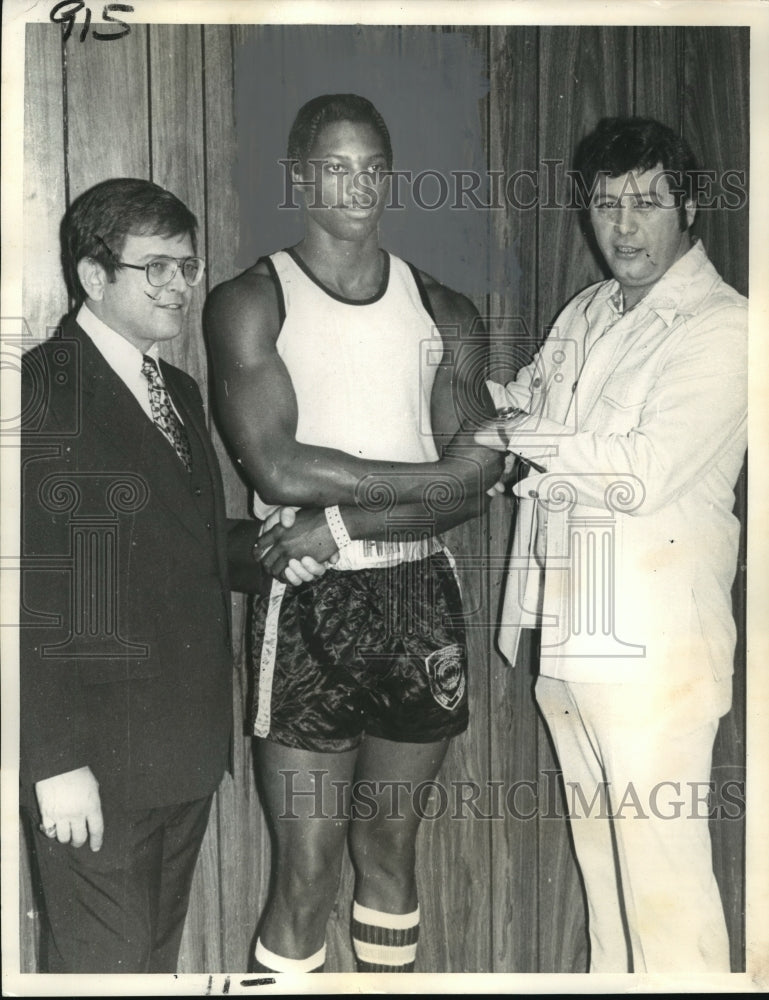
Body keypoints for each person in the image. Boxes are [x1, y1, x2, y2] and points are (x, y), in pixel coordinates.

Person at [204, 93, 503, 974]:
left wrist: (340, 521)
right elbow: (277, 468)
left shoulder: (441, 307)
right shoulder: (252, 299)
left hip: (417, 592)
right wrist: (436, 475)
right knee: (305, 871)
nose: (356, 184)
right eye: (335, 167)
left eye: (372, 166)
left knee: (390, 855)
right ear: (298, 177)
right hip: (308, 604)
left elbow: (477, 485)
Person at [18, 178, 320, 973]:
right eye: (155, 267)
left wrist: (267, 547)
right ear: (93, 277)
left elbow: (175, 542)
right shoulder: (39, 391)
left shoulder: (175, 389)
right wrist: (51, 761)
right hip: (91, 764)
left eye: (186, 266)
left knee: (149, 967)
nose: (179, 286)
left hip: (179, 752)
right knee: (99, 972)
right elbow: (25, 588)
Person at [476, 117, 747, 972]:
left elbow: (644, 470)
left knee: (666, 901)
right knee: (604, 894)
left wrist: (519, 430)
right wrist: (461, 408)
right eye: (605, 205)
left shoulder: (727, 327)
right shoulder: (588, 309)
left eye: (645, 203)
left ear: (688, 206)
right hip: (566, 637)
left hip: (654, 657)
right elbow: (517, 401)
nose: (622, 227)